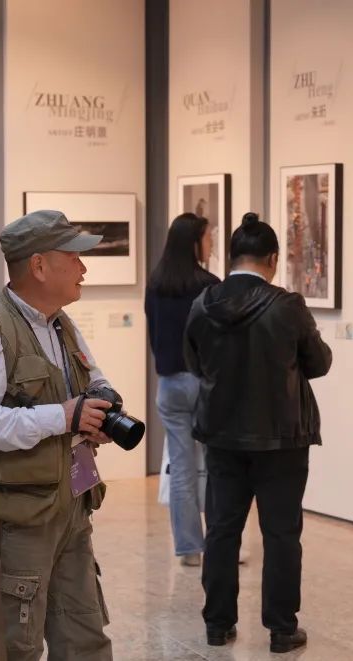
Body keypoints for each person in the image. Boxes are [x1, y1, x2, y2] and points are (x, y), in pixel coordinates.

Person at [0, 209, 116, 660]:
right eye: (74, 257)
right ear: (39, 266)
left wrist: (99, 408)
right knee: (14, 648)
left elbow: (92, 380)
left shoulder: (62, 324)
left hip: (72, 509)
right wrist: (63, 417)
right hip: (17, 521)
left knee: (86, 639)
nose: (84, 267)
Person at [184, 212, 332, 654]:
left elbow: (194, 364)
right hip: (281, 438)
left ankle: (218, 624)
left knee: (223, 531)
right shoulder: (287, 306)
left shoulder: (203, 303)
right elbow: (319, 363)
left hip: (222, 437)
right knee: (282, 534)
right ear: (273, 258)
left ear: (232, 257)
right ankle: (282, 629)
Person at [145, 213, 219, 567]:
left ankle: (190, 549)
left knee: (182, 468)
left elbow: (153, 336)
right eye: (208, 238)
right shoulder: (209, 284)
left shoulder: (156, 283)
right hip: (204, 382)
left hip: (170, 384)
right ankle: (220, 544)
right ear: (194, 242)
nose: (212, 244)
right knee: (219, 466)